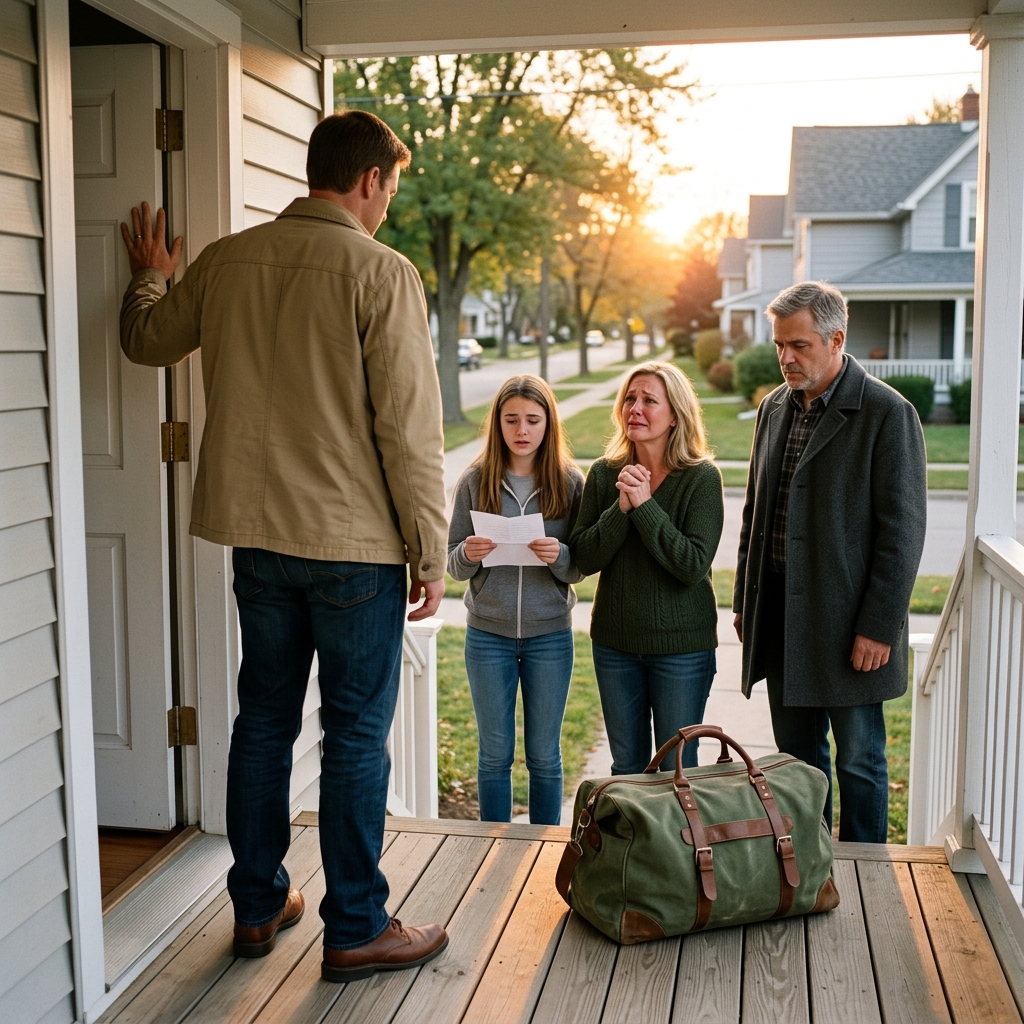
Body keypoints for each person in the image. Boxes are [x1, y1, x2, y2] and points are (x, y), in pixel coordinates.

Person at [118, 110, 450, 981]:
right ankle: (356, 925)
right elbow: (409, 432)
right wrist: (431, 549)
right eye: (391, 186)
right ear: (371, 179)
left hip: (257, 545)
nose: (388, 203)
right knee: (352, 736)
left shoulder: (226, 261)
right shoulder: (383, 272)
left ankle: (260, 908)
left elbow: (146, 340)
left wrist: (151, 279)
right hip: (353, 548)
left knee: (262, 722)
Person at [733, 280, 927, 844]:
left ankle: (866, 870)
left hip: (851, 627)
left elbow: (903, 533)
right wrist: (749, 600)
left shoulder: (888, 414)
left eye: (798, 346)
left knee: (859, 762)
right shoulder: (774, 408)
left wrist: (877, 626)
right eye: (779, 346)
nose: (786, 358)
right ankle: (809, 867)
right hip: (783, 617)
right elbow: (756, 514)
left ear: (836, 338)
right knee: (795, 764)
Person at [571, 361, 724, 774]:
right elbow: (583, 557)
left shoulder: (702, 478)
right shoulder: (605, 474)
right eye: (630, 399)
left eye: (649, 401)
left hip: (682, 651)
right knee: (628, 768)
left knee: (679, 770)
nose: (635, 408)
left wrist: (644, 507)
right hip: (615, 646)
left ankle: (680, 843)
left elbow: (692, 565)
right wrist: (620, 510)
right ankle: (633, 842)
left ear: (675, 414)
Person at [447, 375, 585, 824]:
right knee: (494, 755)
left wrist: (559, 555)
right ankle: (492, 846)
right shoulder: (474, 480)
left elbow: (580, 565)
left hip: (550, 636)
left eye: (532, 419)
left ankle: (545, 853)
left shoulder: (569, 482)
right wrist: (468, 554)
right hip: (488, 635)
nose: (521, 430)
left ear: (548, 423)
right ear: (498, 424)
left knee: (544, 755)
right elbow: (452, 562)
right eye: (511, 420)